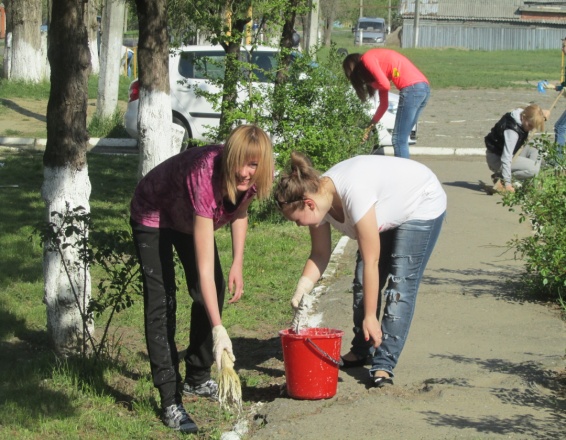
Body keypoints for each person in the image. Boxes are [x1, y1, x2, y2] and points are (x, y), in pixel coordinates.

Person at [130, 125, 274, 433]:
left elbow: (239, 212)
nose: (246, 172)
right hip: (154, 211)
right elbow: (204, 270)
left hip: (186, 216)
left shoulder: (252, 177)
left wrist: (238, 261)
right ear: (228, 156)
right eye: (241, 163)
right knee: (162, 302)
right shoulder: (205, 175)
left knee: (214, 289)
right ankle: (170, 398)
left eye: (254, 165)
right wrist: (219, 329)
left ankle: (197, 376)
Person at [274, 151, 446, 388]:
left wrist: (370, 316)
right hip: (387, 204)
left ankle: (384, 364)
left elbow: (371, 260)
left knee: (400, 287)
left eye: (296, 219)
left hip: (419, 201)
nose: (297, 225)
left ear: (308, 204)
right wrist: (302, 288)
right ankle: (361, 350)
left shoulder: (353, 194)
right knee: (360, 283)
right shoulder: (318, 200)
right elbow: (320, 254)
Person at [342, 48, 430, 158]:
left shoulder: (367, 58)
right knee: (402, 139)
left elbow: (385, 85)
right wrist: (368, 128)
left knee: (398, 140)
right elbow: (384, 105)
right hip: (423, 89)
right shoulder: (380, 69)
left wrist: (372, 84)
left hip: (412, 89)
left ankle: (403, 173)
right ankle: (406, 170)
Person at [484, 104, 548, 194]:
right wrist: (507, 184)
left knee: (537, 144)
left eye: (533, 127)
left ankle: (530, 182)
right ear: (524, 117)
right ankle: (502, 178)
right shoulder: (512, 132)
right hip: (497, 159)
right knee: (533, 169)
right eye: (530, 125)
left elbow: (533, 110)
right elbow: (506, 158)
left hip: (511, 151)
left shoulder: (521, 113)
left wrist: (542, 115)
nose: (530, 129)